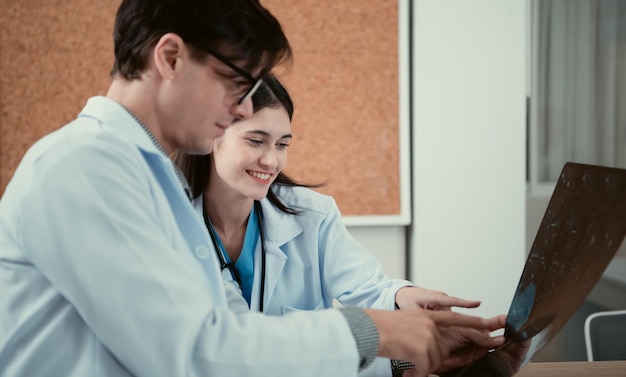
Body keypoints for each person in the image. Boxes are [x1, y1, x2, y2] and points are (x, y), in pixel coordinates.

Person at [0, 1, 505, 376]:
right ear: (171, 57)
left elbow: (219, 337)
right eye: (235, 84)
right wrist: (371, 332)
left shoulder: (148, 177)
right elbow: (193, 352)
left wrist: (396, 330)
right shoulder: (85, 166)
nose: (243, 109)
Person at [177, 73, 503, 376]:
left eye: (282, 144)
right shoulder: (169, 227)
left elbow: (367, 288)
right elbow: (237, 348)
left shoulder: (311, 215)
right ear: (213, 135)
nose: (272, 160)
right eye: (256, 141)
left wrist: (403, 298)